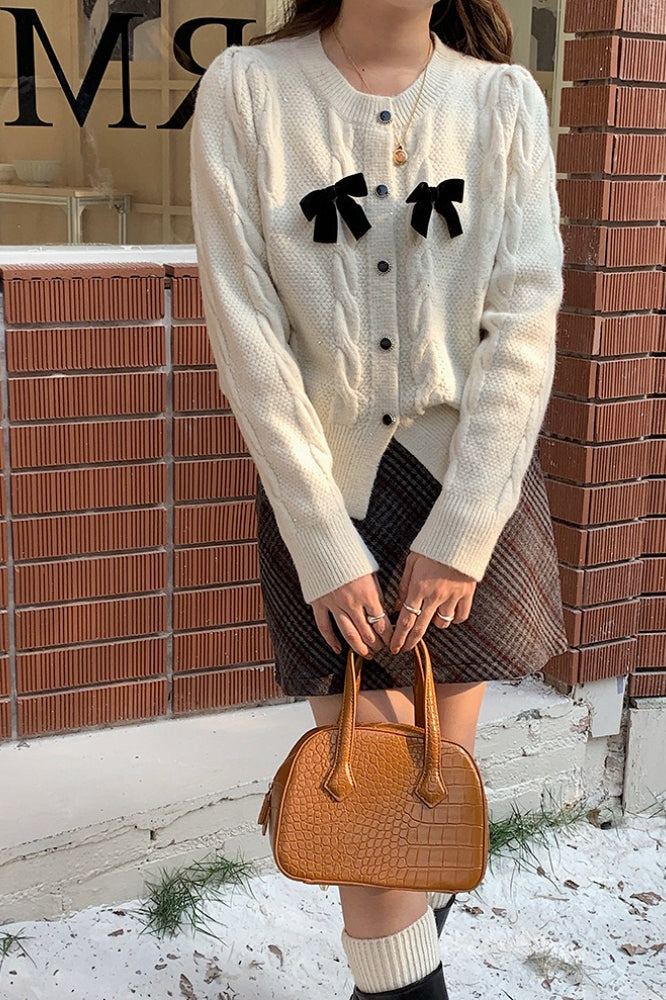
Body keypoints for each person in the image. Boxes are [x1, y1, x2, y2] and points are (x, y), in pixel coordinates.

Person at [189, 1, 569, 996]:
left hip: (471, 494)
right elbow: (245, 331)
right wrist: (322, 542)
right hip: (329, 497)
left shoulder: (503, 102)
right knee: (376, 830)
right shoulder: (247, 91)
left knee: (424, 808)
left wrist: (465, 530)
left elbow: (526, 320)